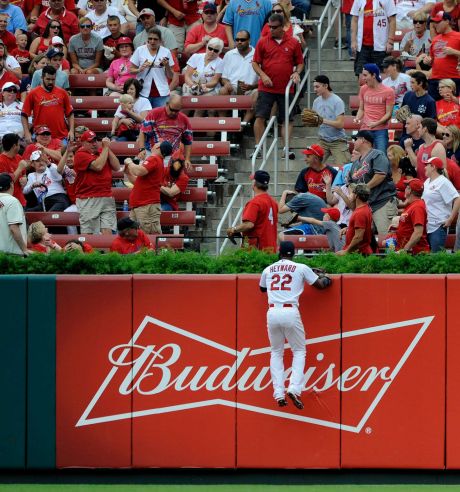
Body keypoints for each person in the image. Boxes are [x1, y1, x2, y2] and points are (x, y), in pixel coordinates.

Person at [259, 240, 332, 408]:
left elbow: (262, 288)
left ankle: (278, 393)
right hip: (290, 311)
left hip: (272, 311)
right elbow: (321, 286)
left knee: (276, 352)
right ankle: (294, 388)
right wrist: (325, 277)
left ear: (279, 252)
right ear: (294, 252)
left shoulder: (268, 269)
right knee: (299, 351)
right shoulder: (300, 267)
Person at [251, 13, 304, 160]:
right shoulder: (262, 42)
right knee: (260, 116)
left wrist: (297, 73)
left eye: (274, 27)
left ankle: (286, 148)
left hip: (286, 88)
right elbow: (255, 63)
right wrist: (263, 75)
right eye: (269, 26)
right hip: (266, 87)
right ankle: (258, 148)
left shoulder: (293, 42)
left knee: (287, 119)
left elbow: (300, 62)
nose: (271, 30)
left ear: (282, 27)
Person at [348, 130, 397, 234]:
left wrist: (364, 188)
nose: (353, 142)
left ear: (363, 140)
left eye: (355, 139)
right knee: (365, 239)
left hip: (382, 202)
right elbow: (351, 182)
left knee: (385, 237)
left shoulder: (377, 154)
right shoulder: (356, 163)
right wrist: (352, 192)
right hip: (366, 206)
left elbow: (380, 175)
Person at [73, 130, 120, 234]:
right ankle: (89, 250)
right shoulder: (80, 154)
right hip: (89, 197)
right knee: (89, 233)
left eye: (95, 141)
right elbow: (98, 166)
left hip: (106, 195)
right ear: (83, 143)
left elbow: (116, 167)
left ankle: (108, 251)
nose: (94, 144)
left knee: (107, 230)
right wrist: (105, 148)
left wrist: (106, 148)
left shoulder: (102, 151)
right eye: (90, 142)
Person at [124, 141, 173, 235]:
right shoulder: (158, 160)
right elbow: (137, 182)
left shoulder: (154, 158)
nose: (153, 144)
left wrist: (129, 162)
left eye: (156, 143)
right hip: (140, 205)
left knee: (149, 237)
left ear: (158, 148)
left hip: (146, 205)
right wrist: (128, 173)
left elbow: (139, 171)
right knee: (132, 235)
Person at [226, 169, 278, 252]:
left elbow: (249, 224)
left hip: (256, 249)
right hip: (271, 248)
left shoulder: (255, 202)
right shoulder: (273, 202)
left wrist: (233, 229)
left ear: (254, 183)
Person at [21, 65, 74, 143]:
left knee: (62, 153)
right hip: (40, 136)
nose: (50, 82)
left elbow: (70, 113)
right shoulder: (33, 93)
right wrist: (27, 133)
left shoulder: (62, 93)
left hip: (61, 136)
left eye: (53, 79)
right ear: (42, 78)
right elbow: (24, 114)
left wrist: (71, 131)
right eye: (48, 79)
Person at [138, 94, 193, 167]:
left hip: (171, 156)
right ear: (167, 104)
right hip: (151, 152)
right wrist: (141, 149)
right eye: (172, 110)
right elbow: (143, 132)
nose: (174, 113)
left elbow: (188, 141)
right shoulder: (154, 113)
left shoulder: (184, 119)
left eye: (177, 111)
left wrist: (187, 159)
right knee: (141, 174)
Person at [130, 27, 175, 107]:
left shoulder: (166, 51)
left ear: (160, 40)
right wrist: (140, 69)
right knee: (144, 118)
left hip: (161, 92)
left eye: (155, 39)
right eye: (150, 39)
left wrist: (167, 66)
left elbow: (171, 76)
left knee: (161, 118)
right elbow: (131, 70)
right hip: (143, 91)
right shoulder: (140, 50)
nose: (152, 41)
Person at [354, 63, 395, 152]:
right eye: (362, 75)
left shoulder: (388, 91)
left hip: (380, 129)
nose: (363, 78)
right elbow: (361, 109)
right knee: (359, 154)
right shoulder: (363, 89)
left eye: (365, 75)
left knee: (381, 155)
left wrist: (375, 123)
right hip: (365, 128)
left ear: (374, 75)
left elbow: (388, 114)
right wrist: (357, 118)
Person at [219, 30, 258, 123]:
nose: (239, 42)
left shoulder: (257, 54)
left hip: (251, 88)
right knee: (222, 90)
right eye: (237, 39)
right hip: (233, 88)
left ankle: (243, 125)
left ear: (249, 40)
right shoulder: (229, 54)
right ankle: (223, 123)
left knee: (258, 93)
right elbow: (223, 77)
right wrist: (226, 83)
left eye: (242, 39)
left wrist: (252, 86)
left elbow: (262, 78)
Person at [422, 156, 460, 251]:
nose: (424, 167)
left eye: (427, 165)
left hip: (439, 225)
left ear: (433, 167)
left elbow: (457, 199)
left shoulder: (443, 182)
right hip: (427, 225)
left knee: (436, 258)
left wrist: (450, 219)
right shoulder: (427, 181)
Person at [311, 74, 350, 167]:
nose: (314, 89)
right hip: (322, 140)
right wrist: (311, 121)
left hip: (338, 140)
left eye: (317, 86)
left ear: (325, 86)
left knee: (344, 168)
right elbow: (315, 121)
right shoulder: (316, 101)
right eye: (314, 87)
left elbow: (340, 124)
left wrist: (322, 120)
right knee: (313, 165)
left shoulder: (337, 101)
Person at [350, 0, 396, 75]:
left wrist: (390, 41)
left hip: (381, 46)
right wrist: (353, 41)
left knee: (381, 75)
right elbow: (354, 20)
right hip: (362, 47)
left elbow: (392, 20)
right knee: (361, 75)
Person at [424, 11, 460, 99]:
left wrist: (455, 52)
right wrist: (428, 61)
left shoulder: (458, 36)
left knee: (453, 108)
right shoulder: (435, 39)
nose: (435, 25)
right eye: (434, 22)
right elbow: (432, 60)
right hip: (435, 78)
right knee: (434, 108)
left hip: (453, 78)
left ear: (447, 21)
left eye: (438, 22)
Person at [336, 183, 374, 255]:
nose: (350, 194)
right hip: (357, 251)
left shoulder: (360, 213)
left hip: (357, 253)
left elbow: (358, 237)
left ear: (356, 195)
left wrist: (346, 252)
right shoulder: (364, 208)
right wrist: (348, 228)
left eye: (352, 192)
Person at [395, 178, 430, 253]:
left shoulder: (417, 207)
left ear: (410, 190)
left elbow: (418, 233)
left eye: (406, 187)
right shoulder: (412, 205)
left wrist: (405, 250)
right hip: (409, 252)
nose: (404, 189)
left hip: (415, 253)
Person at [0, 172, 29, 255]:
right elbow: (13, 228)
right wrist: (24, 249)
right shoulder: (12, 201)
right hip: (11, 255)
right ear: (11, 184)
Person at [0, 133, 26, 206]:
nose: (19, 146)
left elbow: (24, 174)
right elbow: (6, 184)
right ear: (14, 146)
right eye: (18, 144)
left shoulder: (19, 158)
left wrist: (25, 179)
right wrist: (19, 168)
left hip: (21, 200)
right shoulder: (1, 161)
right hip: (7, 203)